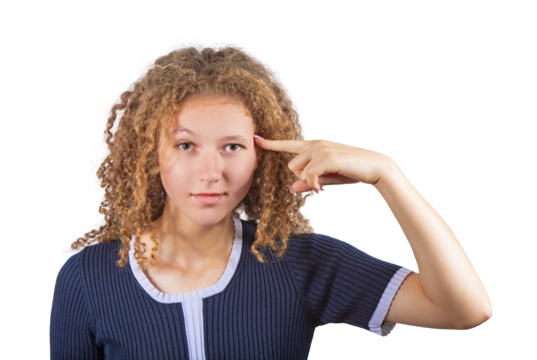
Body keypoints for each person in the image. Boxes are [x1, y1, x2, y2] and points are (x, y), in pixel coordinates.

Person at [50, 36, 493, 359]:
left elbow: (465, 309)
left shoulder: (299, 261)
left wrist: (389, 176)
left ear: (262, 155)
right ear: (150, 153)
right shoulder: (86, 279)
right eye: (186, 145)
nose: (211, 172)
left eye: (233, 146)